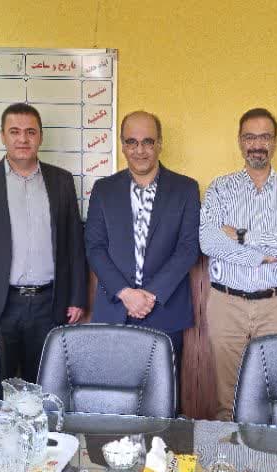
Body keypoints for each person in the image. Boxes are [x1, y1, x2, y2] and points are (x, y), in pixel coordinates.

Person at [0, 103, 87, 383]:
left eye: (30, 132)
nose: (23, 139)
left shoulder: (61, 181)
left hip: (49, 304)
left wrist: (77, 298)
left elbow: (74, 245)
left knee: (45, 384)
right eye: (14, 132)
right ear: (2, 136)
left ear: (40, 136)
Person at [200, 108, 277, 421]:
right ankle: (229, 453)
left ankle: (266, 454)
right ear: (239, 141)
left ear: (275, 142)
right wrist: (261, 255)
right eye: (250, 137)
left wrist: (241, 236)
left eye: (264, 137)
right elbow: (209, 242)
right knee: (227, 400)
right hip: (226, 302)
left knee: (273, 394)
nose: (257, 144)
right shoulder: (220, 189)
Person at [85, 111, 200, 379]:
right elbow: (94, 247)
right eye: (132, 142)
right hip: (114, 309)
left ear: (160, 143)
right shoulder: (103, 189)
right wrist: (126, 293)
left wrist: (150, 295)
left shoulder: (185, 189)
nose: (140, 150)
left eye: (148, 142)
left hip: (165, 310)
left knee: (163, 394)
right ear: (122, 145)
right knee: (113, 392)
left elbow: (188, 248)